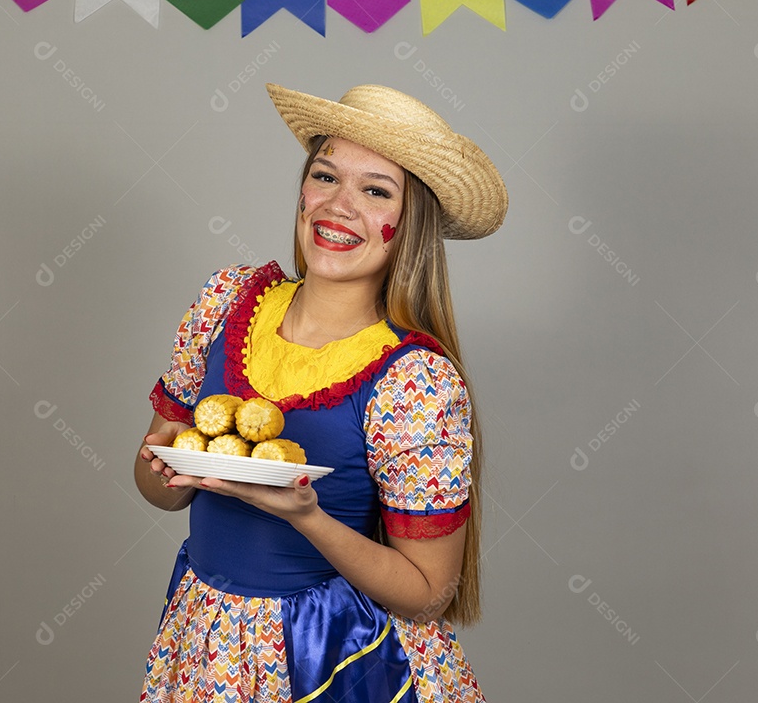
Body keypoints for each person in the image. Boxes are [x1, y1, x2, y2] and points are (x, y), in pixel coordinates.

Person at [134, 82, 508, 702]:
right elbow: (157, 489)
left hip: (342, 653)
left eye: (376, 190)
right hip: (207, 638)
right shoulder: (226, 302)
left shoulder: (414, 378)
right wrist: (169, 467)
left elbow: (428, 592)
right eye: (325, 175)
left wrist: (307, 516)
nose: (339, 206)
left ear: (408, 224)